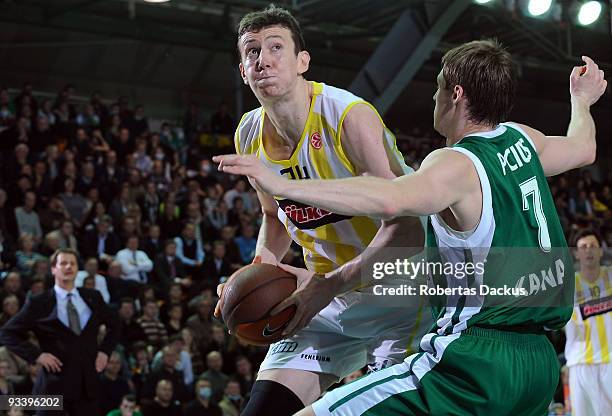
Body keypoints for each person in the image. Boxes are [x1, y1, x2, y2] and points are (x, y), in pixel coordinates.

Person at [215, 41, 607, 415]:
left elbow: (390, 200)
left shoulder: (454, 163)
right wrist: (582, 101)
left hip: (473, 354)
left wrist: (284, 186)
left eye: (437, 87)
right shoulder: (524, 140)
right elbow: (583, 147)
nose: (433, 98)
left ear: (455, 94)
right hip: (537, 362)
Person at [214, 6, 427, 415]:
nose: (263, 58)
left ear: (302, 62)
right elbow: (275, 216)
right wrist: (261, 266)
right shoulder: (247, 132)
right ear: (243, 70)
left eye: (276, 47)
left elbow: (406, 230)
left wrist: (330, 284)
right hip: (325, 296)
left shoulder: (348, 115)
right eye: (252, 51)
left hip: (400, 293)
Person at [0, 248, 120, 415]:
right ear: (53, 269)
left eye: (72, 263)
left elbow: (116, 325)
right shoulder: (39, 302)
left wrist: (105, 351)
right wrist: (37, 355)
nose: (68, 267)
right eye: (63, 263)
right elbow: (7, 333)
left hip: (86, 387)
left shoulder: (93, 297)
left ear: (78, 269)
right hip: (53, 387)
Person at [564, 229, 612, 415]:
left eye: (593, 246)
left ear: (601, 250)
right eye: (583, 247)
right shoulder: (567, 287)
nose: (588, 250)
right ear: (576, 253)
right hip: (580, 363)